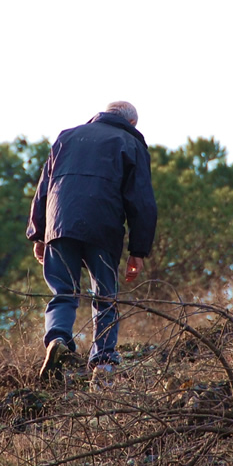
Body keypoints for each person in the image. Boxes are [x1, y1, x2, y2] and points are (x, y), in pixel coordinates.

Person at [27, 101, 157, 382]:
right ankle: (103, 361)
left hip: (60, 224)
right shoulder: (131, 143)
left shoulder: (66, 137)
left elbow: (43, 188)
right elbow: (142, 201)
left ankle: (57, 340)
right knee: (105, 296)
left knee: (63, 291)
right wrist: (138, 251)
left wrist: (39, 234)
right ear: (131, 123)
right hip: (103, 227)